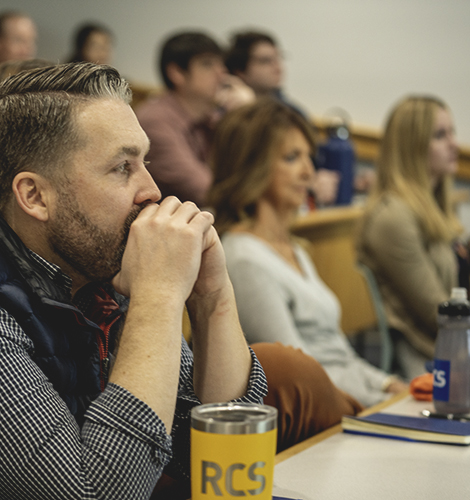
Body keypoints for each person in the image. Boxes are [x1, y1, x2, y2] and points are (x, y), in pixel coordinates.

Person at [0, 62, 267, 500]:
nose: (153, 191)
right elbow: (94, 494)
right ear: (34, 196)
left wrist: (212, 299)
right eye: (122, 167)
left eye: (146, 162)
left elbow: (212, 455)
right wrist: (159, 297)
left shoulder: (103, 273)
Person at [207, 98, 408, 407]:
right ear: (252, 166)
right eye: (291, 158)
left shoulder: (295, 248)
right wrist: (380, 404)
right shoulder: (244, 259)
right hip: (328, 415)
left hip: (353, 402)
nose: (309, 172)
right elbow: (301, 379)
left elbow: (336, 352)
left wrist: (390, 384)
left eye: (308, 157)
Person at [357, 95, 462, 381]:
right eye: (440, 135)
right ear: (412, 147)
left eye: (452, 132)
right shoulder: (393, 218)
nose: (454, 143)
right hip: (424, 364)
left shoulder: (434, 208)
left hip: (450, 351)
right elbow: (437, 314)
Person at [136, 31, 254, 207]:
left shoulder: (213, 117)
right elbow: (207, 193)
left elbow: (255, 172)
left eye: (221, 64)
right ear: (176, 73)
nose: (222, 74)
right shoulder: (155, 122)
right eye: (207, 64)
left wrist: (247, 116)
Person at [225, 30, 340, 207]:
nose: (277, 66)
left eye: (279, 58)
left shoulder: (292, 111)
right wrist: (250, 109)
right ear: (240, 71)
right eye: (265, 61)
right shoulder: (227, 114)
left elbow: (315, 160)